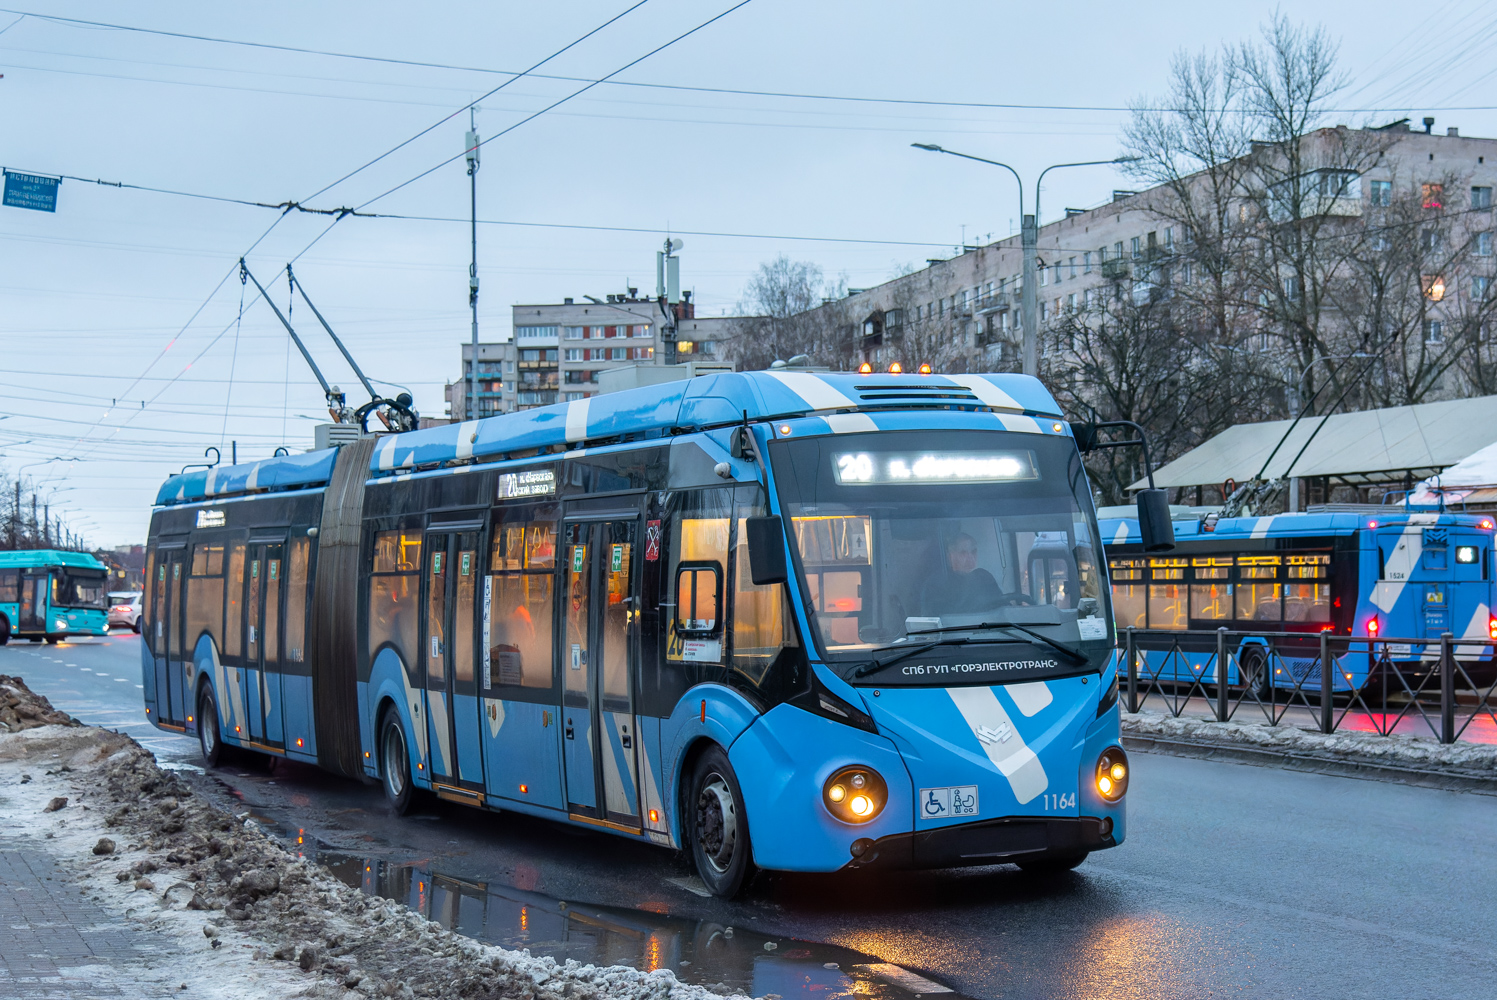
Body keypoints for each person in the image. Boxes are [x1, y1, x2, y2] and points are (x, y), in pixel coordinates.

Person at [920, 532, 1017, 616]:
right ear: (950, 556)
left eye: (973, 552)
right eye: (963, 553)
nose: (970, 558)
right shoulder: (936, 584)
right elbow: (933, 620)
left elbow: (1002, 608)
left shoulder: (984, 578)